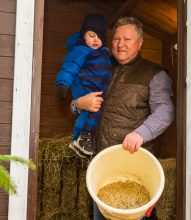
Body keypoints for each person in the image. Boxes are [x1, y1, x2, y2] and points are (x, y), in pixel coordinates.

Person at [71, 16, 175, 220]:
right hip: (102, 169)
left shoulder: (154, 74)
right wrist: (79, 104)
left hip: (134, 170)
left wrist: (140, 134)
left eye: (126, 39)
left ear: (140, 42)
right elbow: (77, 102)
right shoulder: (101, 68)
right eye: (116, 39)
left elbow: (165, 111)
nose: (120, 45)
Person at [55, 13, 112, 158]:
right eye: (91, 35)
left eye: (99, 37)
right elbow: (70, 66)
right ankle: (81, 138)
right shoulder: (80, 50)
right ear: (83, 35)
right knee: (90, 113)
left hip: (97, 90)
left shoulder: (104, 53)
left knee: (93, 113)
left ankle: (81, 139)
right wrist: (63, 84)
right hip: (85, 88)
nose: (95, 40)